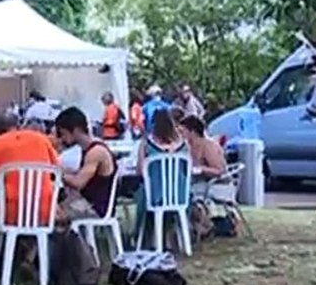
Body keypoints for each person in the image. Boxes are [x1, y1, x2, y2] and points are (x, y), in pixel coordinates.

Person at [131, 109, 188, 247]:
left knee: (141, 194)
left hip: (154, 195)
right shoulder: (184, 145)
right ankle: (174, 235)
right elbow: (187, 169)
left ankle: (141, 236)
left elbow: (140, 171)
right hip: (179, 196)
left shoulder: (146, 144)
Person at [55, 106, 117, 222]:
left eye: (63, 133)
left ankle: (72, 240)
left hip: (95, 207)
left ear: (76, 130)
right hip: (86, 202)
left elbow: (79, 183)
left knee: (48, 215)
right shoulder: (89, 149)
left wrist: (57, 173)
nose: (62, 138)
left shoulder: (96, 152)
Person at [180, 116, 226, 181]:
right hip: (198, 181)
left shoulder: (208, 146)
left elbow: (220, 171)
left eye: (182, 131)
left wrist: (201, 169)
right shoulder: (188, 145)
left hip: (214, 183)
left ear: (192, 132)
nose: (180, 133)